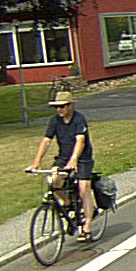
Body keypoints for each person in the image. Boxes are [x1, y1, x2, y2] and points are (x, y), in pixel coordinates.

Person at [26, 92, 97, 240]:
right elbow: (46, 140)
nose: (59, 109)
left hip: (82, 158)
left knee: (83, 188)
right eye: (57, 107)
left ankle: (87, 227)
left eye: (62, 106)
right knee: (53, 180)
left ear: (70, 105)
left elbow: (80, 141)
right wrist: (37, 161)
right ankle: (67, 201)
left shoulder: (79, 119)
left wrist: (74, 159)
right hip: (63, 157)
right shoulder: (55, 121)